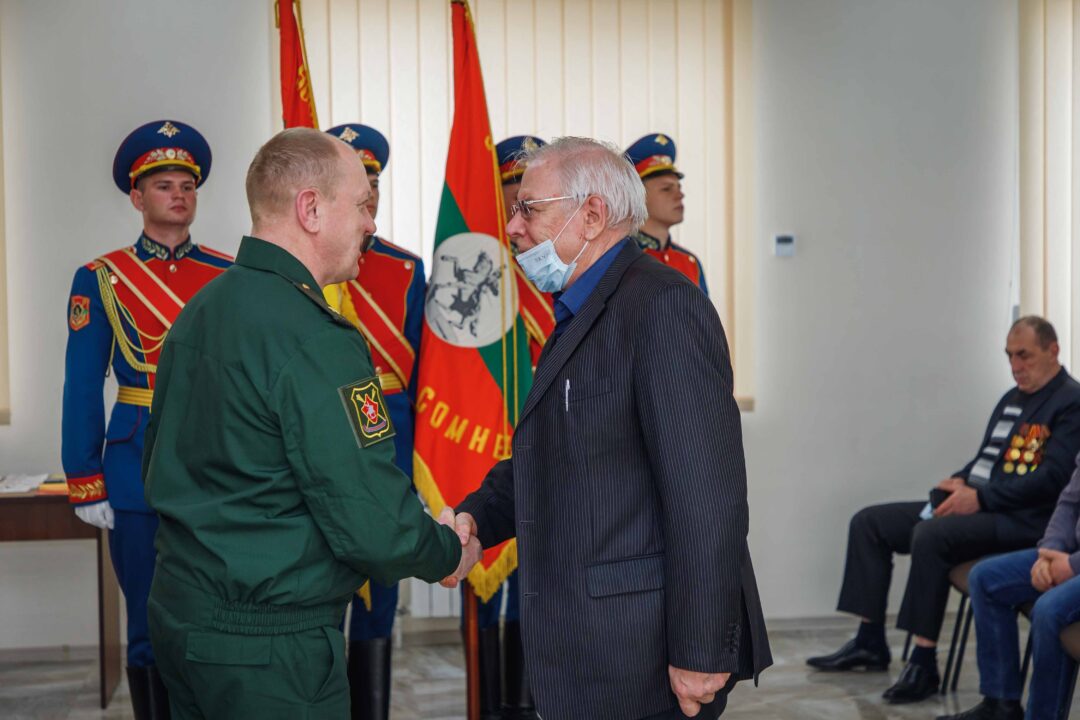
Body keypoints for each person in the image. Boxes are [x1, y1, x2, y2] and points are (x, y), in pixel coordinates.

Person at [142, 127, 479, 719]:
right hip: (270, 649)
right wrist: (447, 551)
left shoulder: (201, 309)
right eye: (362, 205)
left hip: (184, 621)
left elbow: (164, 462)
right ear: (311, 209)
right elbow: (368, 516)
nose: (371, 224)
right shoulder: (314, 336)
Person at [439, 136, 771, 720]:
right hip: (591, 648)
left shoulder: (662, 306)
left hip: (643, 654)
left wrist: (700, 649)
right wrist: (475, 522)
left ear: (591, 215)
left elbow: (707, 498)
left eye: (528, 209)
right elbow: (555, 454)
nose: (512, 227)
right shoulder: (581, 308)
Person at [807, 316, 1080, 705]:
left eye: (1025, 355)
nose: (1016, 365)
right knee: (870, 523)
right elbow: (987, 460)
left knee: (932, 536)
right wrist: (958, 482)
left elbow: (1053, 480)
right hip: (980, 503)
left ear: (1053, 351)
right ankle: (869, 642)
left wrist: (980, 499)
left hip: (1019, 520)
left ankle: (922, 662)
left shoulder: (1070, 401)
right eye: (1009, 356)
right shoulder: (1013, 398)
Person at [61, 119, 231, 720]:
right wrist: (85, 476)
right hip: (136, 472)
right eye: (163, 185)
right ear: (137, 198)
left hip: (217, 471)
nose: (178, 195)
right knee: (146, 627)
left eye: (187, 185)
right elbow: (83, 385)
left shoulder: (228, 273)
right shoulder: (101, 278)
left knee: (216, 619)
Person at [324, 122, 425, 720]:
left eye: (374, 183)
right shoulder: (304, 267)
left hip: (392, 444)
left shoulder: (407, 270)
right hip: (324, 442)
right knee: (322, 595)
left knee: (381, 597)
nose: (368, 194)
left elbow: (425, 378)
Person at [939, 457, 1080, 720]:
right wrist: (1049, 552)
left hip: (1074, 562)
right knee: (986, 578)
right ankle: (1000, 704)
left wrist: (1071, 566)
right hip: (1067, 554)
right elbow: (1070, 502)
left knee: (1049, 609)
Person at [623, 133, 707, 295]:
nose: (680, 195)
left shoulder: (690, 262)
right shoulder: (621, 258)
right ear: (638, 196)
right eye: (666, 189)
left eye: (679, 188)